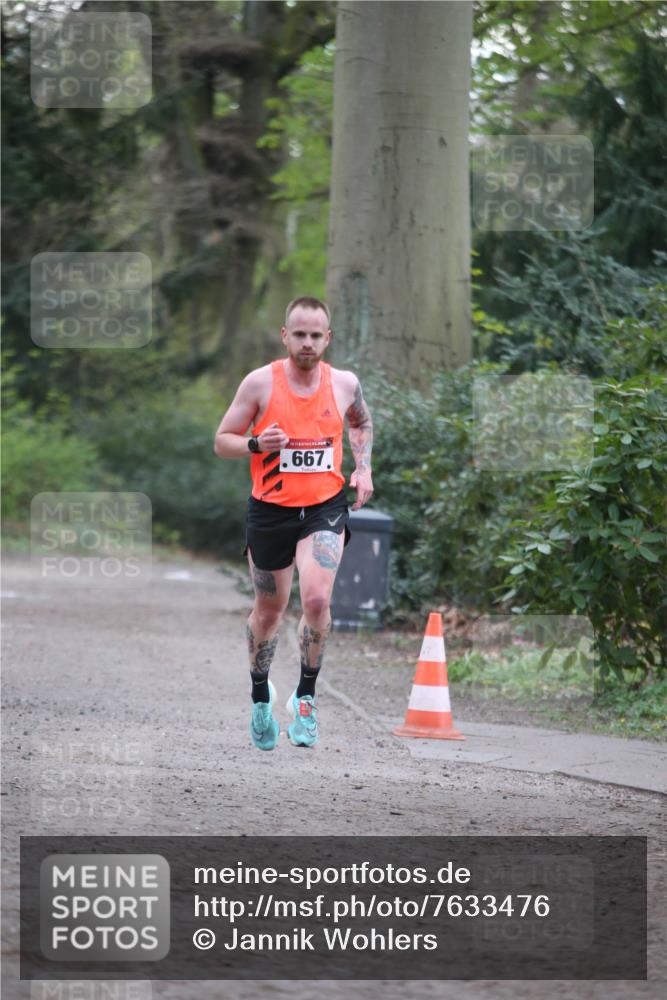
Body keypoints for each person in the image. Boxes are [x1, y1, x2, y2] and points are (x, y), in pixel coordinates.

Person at [214, 296, 374, 750]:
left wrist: (362, 468)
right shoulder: (259, 384)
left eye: (316, 335)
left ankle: (305, 697)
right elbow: (221, 441)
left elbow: (361, 423)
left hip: (324, 507)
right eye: (299, 334)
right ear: (285, 335)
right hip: (269, 512)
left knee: (318, 599)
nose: (307, 343)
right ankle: (261, 694)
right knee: (269, 611)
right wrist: (255, 444)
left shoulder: (343, 384)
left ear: (328, 338)